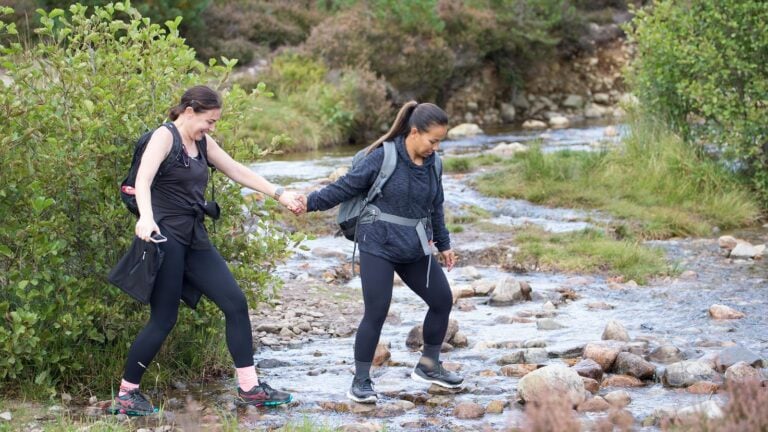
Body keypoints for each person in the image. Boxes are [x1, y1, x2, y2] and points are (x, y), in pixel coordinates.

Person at [110, 85, 299, 416]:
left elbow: (235, 169)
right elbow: (142, 181)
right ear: (189, 111)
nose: (211, 128)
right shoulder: (164, 137)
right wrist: (146, 218)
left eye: (214, 123)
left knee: (235, 303)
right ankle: (127, 395)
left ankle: (250, 388)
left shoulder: (201, 143)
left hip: (194, 237)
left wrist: (279, 194)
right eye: (209, 121)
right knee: (164, 319)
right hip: (164, 237)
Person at [298, 101, 463, 404]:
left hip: (413, 245)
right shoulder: (383, 157)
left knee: (441, 300)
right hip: (378, 244)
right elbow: (345, 187)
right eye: (433, 140)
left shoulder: (433, 164)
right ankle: (360, 381)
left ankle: (428, 366)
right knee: (377, 311)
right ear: (415, 132)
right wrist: (308, 203)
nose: (436, 148)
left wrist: (444, 244)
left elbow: (435, 206)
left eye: (440, 141)